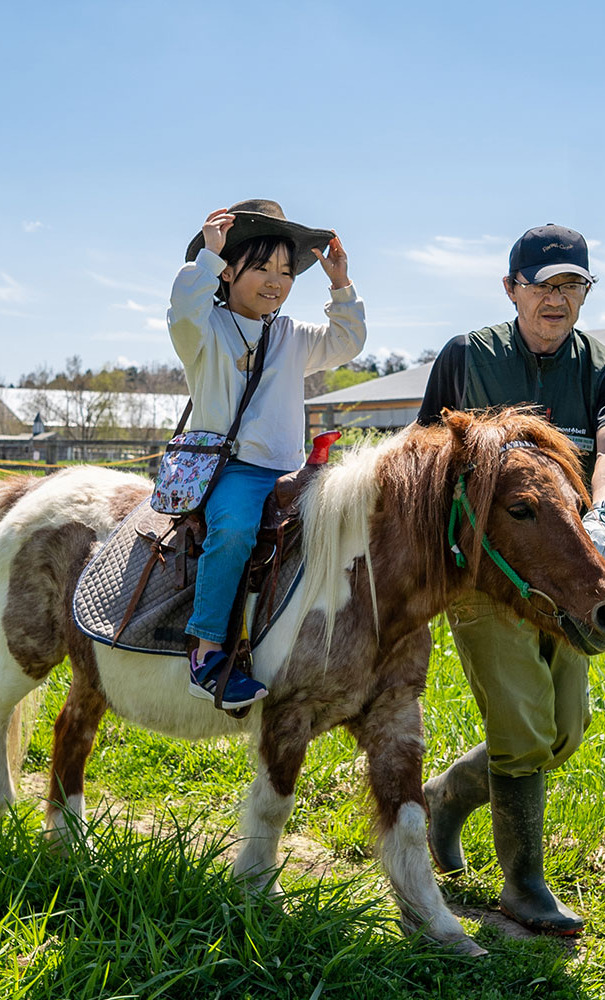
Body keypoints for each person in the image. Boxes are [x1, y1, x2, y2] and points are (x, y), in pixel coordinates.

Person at [417, 223, 605, 934]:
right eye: (544, 284)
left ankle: (444, 801)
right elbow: (424, 451)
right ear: (511, 288)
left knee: (563, 732)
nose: (558, 298)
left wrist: (601, 512)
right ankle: (524, 888)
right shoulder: (466, 357)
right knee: (521, 729)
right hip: (487, 574)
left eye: (572, 285)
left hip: (569, 574)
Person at [168, 199, 366, 710]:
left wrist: (340, 285)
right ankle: (208, 653)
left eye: (286, 270)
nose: (276, 280)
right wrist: (208, 256)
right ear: (229, 271)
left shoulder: (292, 335)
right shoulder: (204, 331)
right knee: (232, 530)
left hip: (294, 468)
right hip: (233, 469)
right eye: (261, 267)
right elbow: (182, 312)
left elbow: (347, 342)